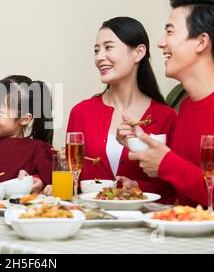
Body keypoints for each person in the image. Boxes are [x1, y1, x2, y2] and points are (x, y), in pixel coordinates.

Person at [126, 0, 214, 212]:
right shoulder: (185, 106)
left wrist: (167, 164)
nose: (160, 43)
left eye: (170, 32)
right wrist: (138, 186)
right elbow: (185, 190)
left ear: (201, 41)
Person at [66, 17, 177, 203]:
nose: (99, 57)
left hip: (144, 225)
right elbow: (70, 179)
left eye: (108, 47)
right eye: (96, 50)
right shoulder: (80, 112)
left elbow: (172, 188)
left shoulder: (166, 117)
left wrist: (138, 189)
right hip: (91, 222)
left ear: (138, 53)